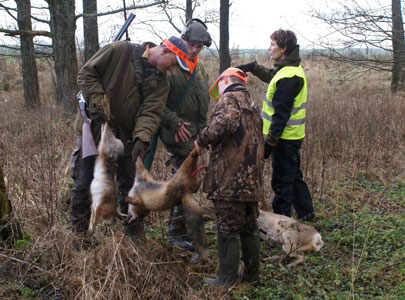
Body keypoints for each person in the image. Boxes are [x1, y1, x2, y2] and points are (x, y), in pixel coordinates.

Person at [70, 36, 192, 236]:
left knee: (131, 188)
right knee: (83, 183)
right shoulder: (121, 50)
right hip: (95, 130)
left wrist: (141, 138)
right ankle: (79, 237)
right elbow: (86, 73)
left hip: (127, 137)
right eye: (173, 64)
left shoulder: (162, 83)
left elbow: (151, 113)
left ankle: (132, 239)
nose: (172, 69)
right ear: (164, 51)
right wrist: (98, 101)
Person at [143, 19, 212, 250]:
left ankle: (180, 229)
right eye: (191, 44)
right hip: (179, 134)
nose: (193, 50)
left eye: (199, 47)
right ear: (183, 40)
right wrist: (174, 123)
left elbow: (203, 100)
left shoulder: (200, 67)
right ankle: (175, 232)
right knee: (183, 182)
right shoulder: (169, 66)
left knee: (187, 181)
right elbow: (153, 103)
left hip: (196, 135)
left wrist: (204, 130)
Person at [194, 68, 264, 286]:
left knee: (227, 227)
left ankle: (226, 279)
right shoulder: (251, 103)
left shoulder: (228, 99)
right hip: (252, 181)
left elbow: (223, 125)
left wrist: (201, 140)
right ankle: (252, 276)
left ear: (225, 80)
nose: (219, 90)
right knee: (249, 225)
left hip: (230, 180)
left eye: (219, 84)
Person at [236, 29, 315, 221]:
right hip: (291, 136)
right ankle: (306, 213)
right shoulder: (289, 70)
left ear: (284, 48)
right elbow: (273, 75)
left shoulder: (288, 77)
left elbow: (280, 116)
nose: (269, 48)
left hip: (284, 139)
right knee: (294, 175)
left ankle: (282, 222)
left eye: (272, 44)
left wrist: (270, 144)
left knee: (282, 181)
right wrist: (253, 67)